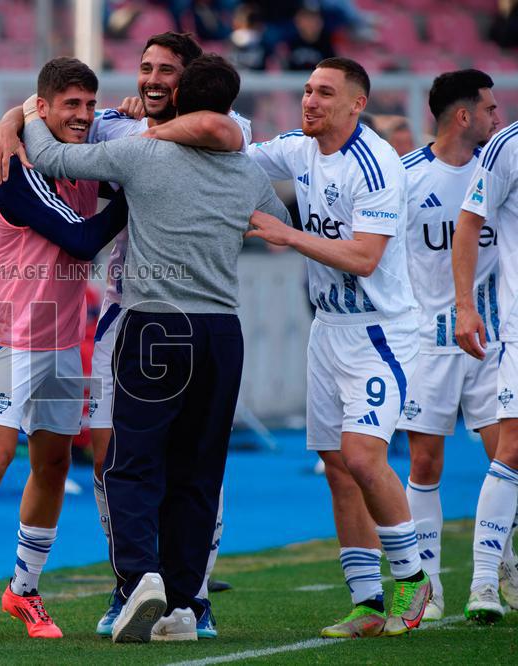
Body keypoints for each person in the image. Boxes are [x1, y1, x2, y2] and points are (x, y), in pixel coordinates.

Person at [150, 56, 431, 637]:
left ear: (356, 104)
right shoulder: (300, 148)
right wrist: (155, 123)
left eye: (324, 93)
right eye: (306, 90)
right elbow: (230, 148)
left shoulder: (374, 166)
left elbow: (364, 256)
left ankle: (412, 577)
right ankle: (368, 603)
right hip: (327, 329)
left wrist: (286, 233)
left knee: (361, 456)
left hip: (379, 330)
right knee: (334, 465)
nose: (310, 101)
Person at [0, 31, 250, 641]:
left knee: (186, 462)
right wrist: (10, 122)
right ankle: (133, 584)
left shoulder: (222, 127)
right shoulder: (107, 125)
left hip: (179, 313)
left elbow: (227, 132)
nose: (152, 80)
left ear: (190, 81)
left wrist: (149, 140)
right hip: (122, 316)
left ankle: (194, 592)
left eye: (167, 72)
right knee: (111, 458)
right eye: (146, 68)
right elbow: (50, 112)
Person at [0, 56, 124, 643]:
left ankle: (23, 591)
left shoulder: (84, 142)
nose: (84, 116)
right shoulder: (13, 163)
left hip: (65, 337)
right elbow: (81, 237)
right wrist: (133, 196)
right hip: (8, 335)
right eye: (71, 105)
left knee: (51, 463)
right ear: (42, 107)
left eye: (91, 105)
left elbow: (124, 127)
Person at [397, 69, 509, 621]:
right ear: (463, 116)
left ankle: (496, 570)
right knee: (425, 461)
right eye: (489, 109)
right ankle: (432, 586)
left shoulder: (500, 171)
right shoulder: (407, 177)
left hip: (492, 341)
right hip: (428, 341)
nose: (498, 117)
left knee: (505, 455)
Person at [453, 97, 518, 624]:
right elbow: (469, 225)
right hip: (517, 330)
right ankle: (483, 582)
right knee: (512, 446)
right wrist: (466, 306)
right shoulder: (506, 146)